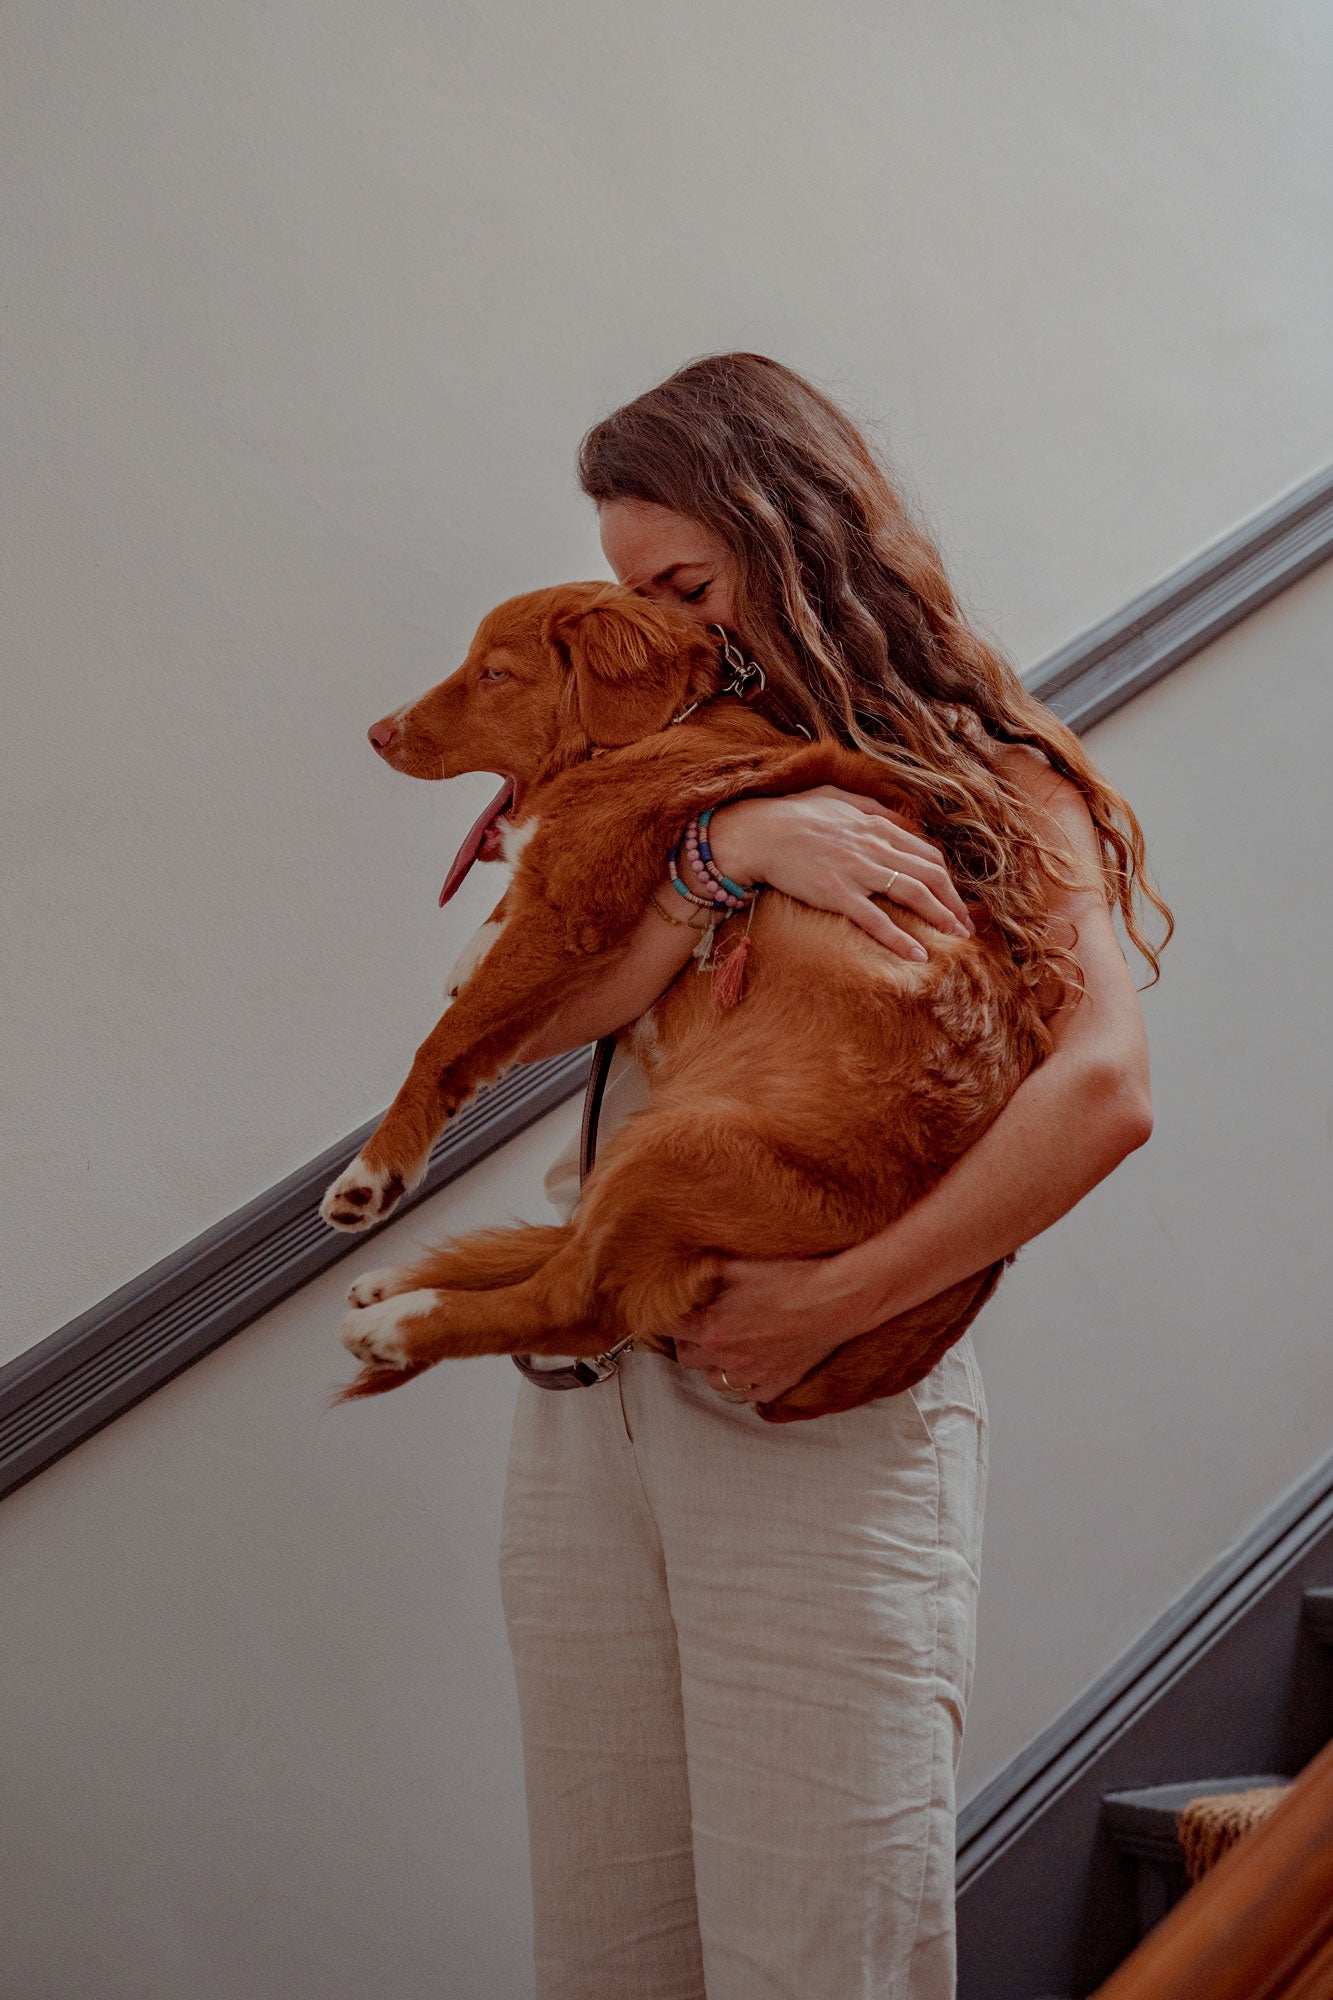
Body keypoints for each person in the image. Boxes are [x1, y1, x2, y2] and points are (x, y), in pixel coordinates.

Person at [498, 352, 1171, 2000]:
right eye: (635, 596)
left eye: (688, 584)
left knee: (818, 1962)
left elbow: (1101, 1088)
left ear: (792, 535)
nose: (666, 628)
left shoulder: (985, 771)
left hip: (820, 1415)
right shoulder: (694, 785)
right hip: (588, 1416)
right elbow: (530, 1023)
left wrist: (834, 1302)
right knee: (608, 1959)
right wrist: (730, 853)